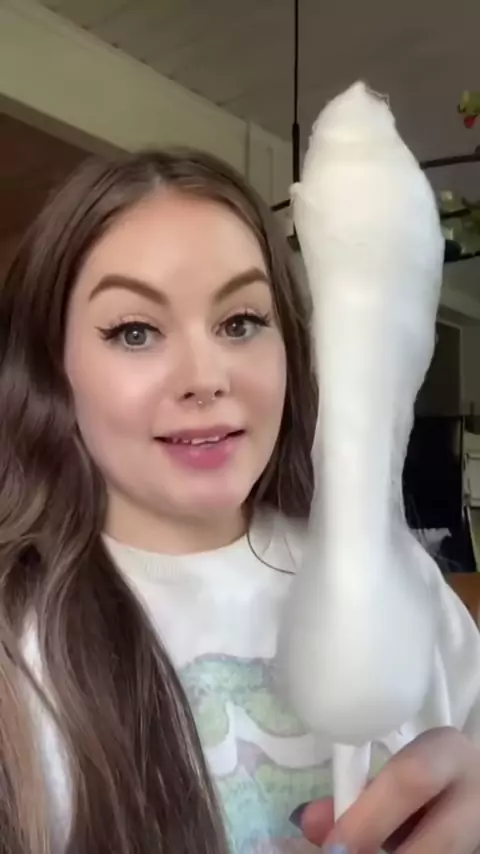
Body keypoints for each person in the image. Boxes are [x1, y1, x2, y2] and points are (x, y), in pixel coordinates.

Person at [0, 148, 479, 854]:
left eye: (240, 322)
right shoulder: (19, 646)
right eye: (135, 331)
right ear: (54, 370)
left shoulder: (398, 585)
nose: (205, 377)